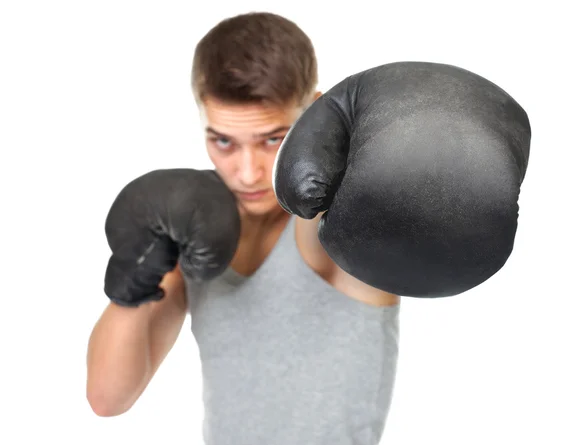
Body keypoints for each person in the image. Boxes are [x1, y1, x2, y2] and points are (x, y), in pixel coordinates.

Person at [87, 12, 401, 445]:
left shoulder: (336, 222)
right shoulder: (192, 223)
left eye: (273, 138)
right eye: (224, 142)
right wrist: (134, 271)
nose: (248, 173)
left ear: (314, 112)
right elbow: (107, 398)